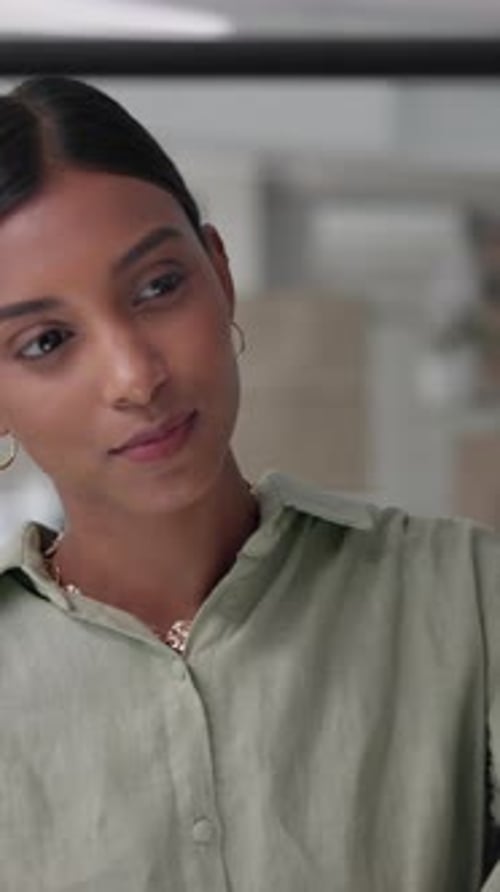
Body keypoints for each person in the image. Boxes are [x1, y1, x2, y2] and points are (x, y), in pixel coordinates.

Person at [0, 76, 499, 892]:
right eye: (48, 340)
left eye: (159, 286)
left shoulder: (467, 600)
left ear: (220, 273)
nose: (135, 376)